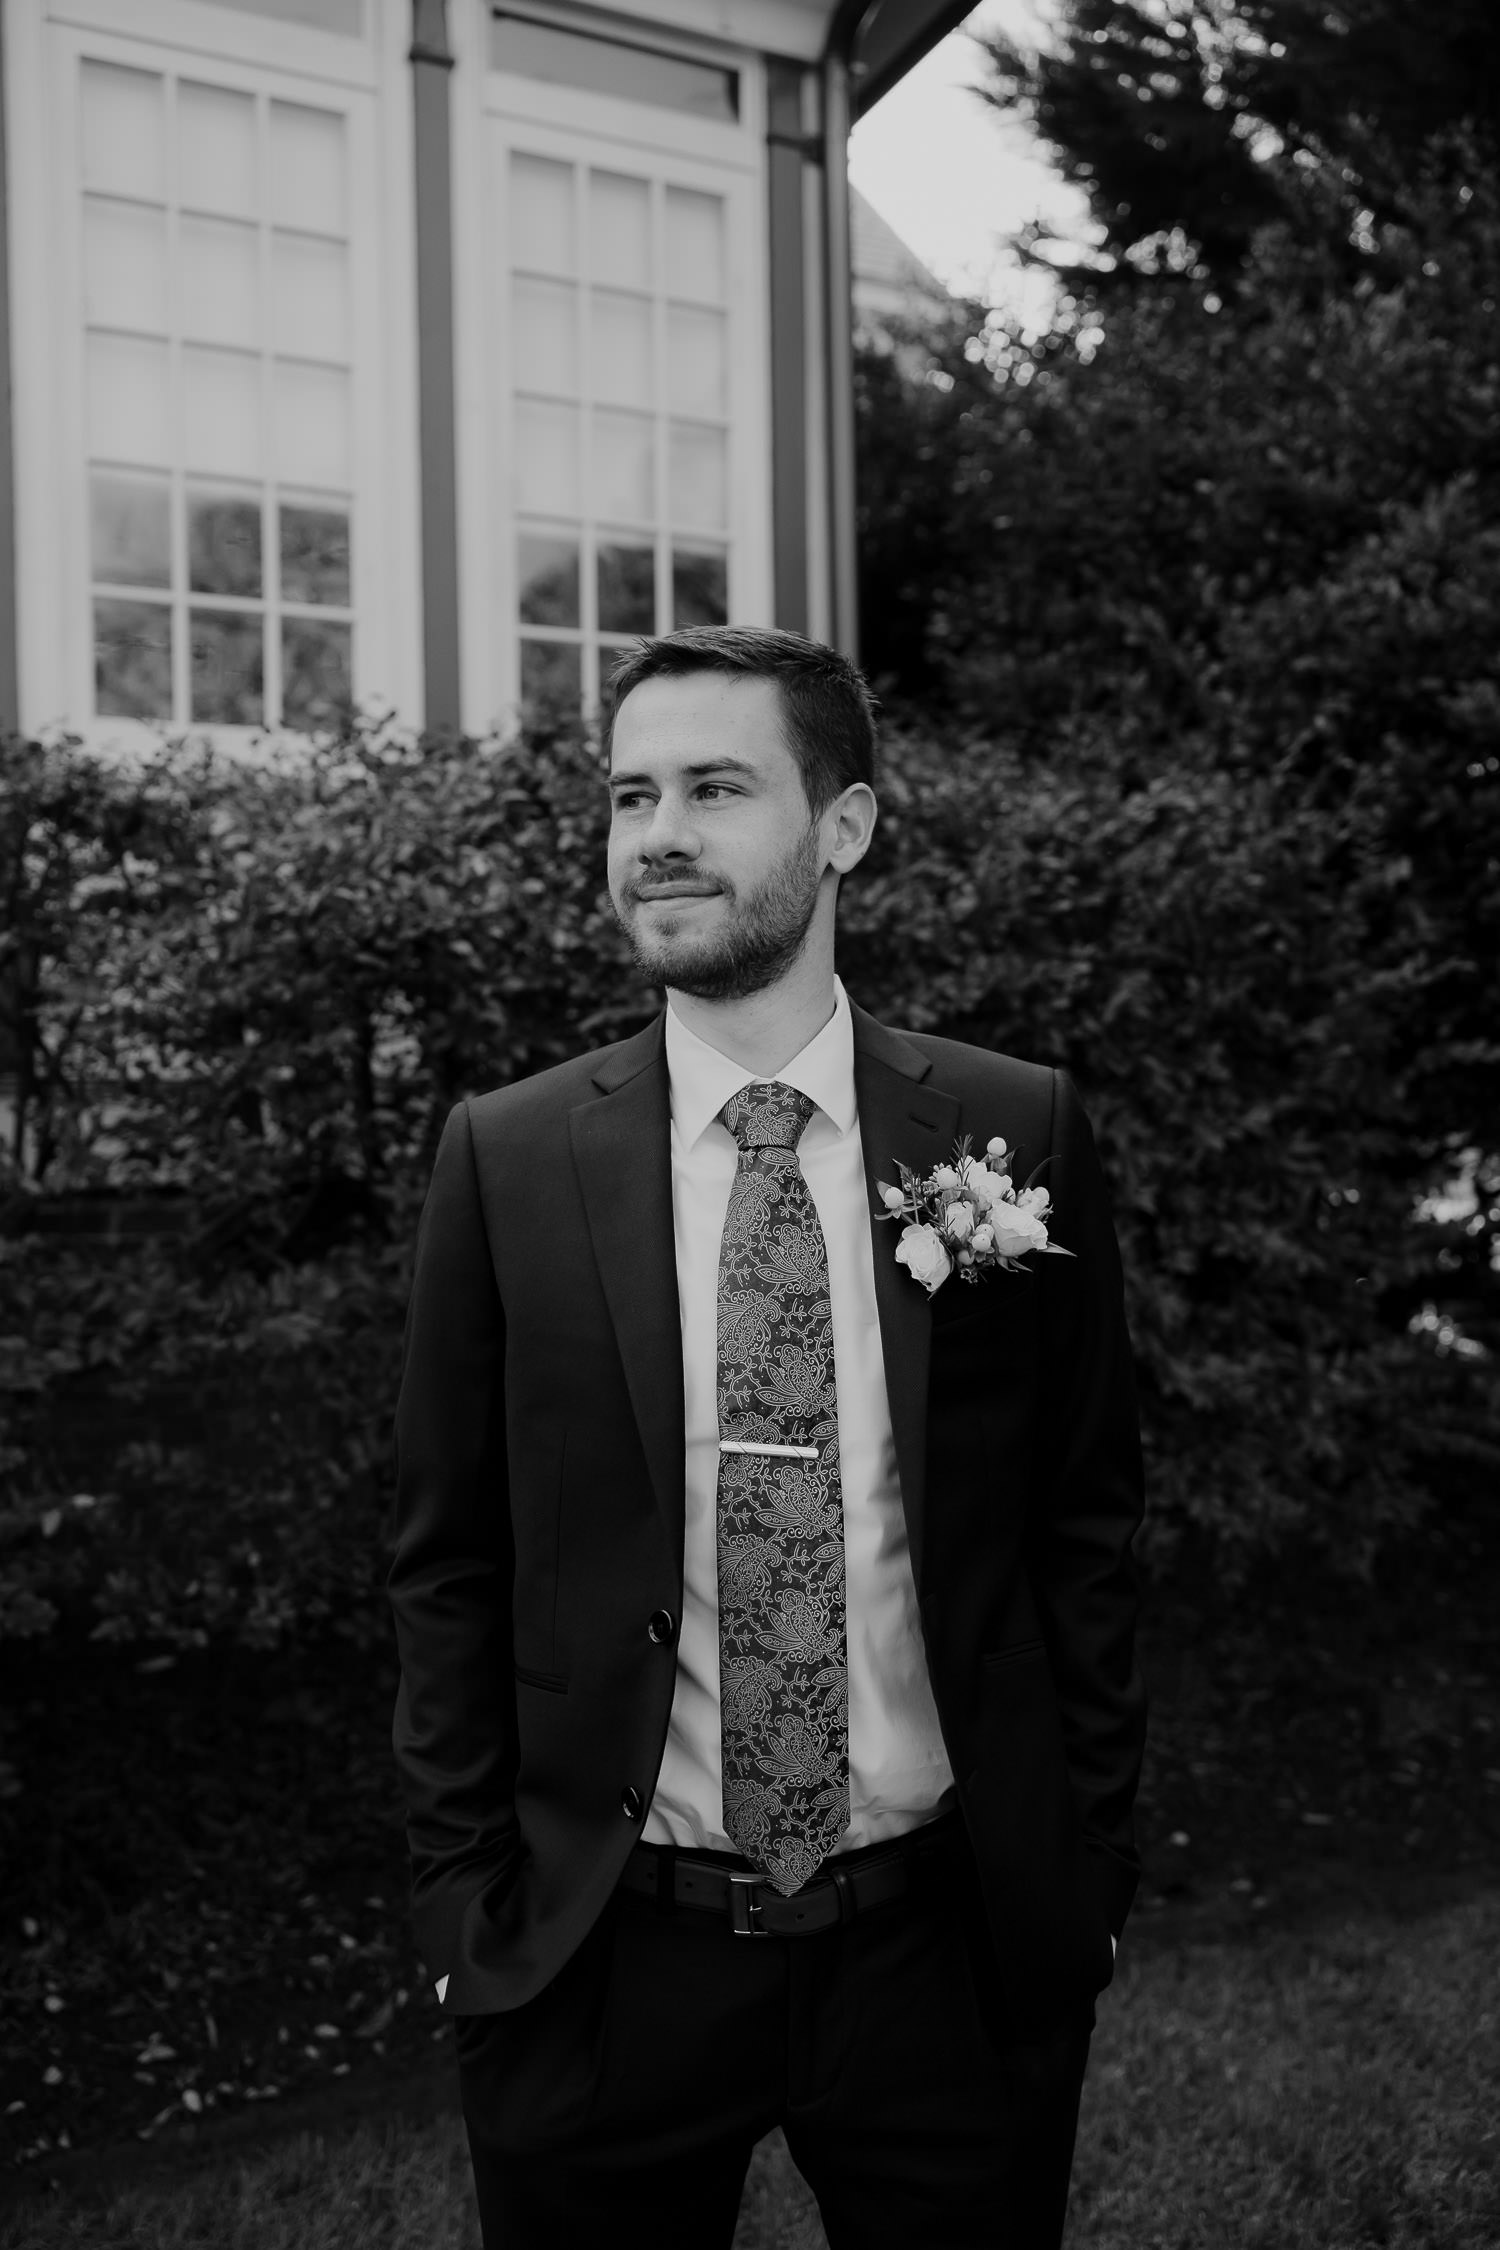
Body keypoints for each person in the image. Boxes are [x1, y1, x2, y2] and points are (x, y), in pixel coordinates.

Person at [387, 625, 1145, 2249]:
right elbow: (447, 1556)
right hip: (608, 1953)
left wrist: (1081, 1861)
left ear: (846, 827)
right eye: (629, 793)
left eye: (716, 787)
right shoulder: (506, 1159)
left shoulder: (1013, 1131)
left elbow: (1086, 1520)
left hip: (943, 1940)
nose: (656, 833)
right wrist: (466, 1911)